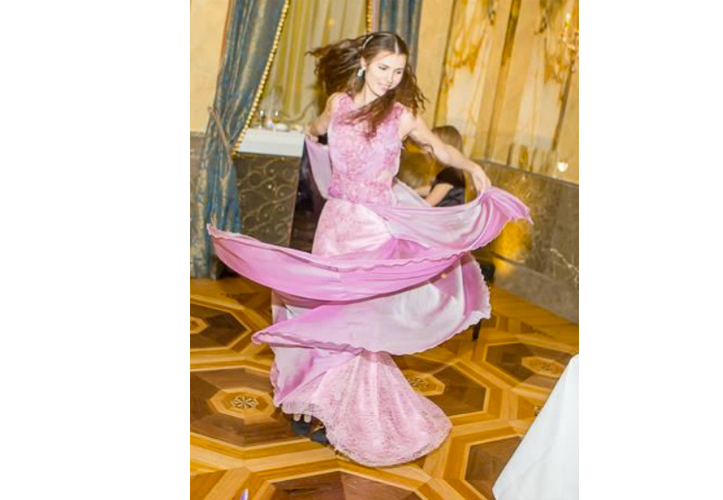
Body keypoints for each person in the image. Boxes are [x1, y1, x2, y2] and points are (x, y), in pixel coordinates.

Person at [208, 31, 531, 467]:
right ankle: (312, 399)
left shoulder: (401, 116)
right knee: (320, 309)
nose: (390, 78)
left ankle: (343, 408)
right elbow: (315, 131)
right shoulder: (338, 105)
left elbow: (439, 148)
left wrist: (471, 166)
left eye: (398, 71)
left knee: (357, 320)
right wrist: (314, 138)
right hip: (334, 225)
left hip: (372, 229)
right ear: (363, 63)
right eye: (383, 68)